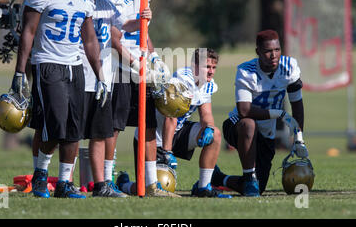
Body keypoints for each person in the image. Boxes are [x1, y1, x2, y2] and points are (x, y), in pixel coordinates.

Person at [12, 0, 106, 199]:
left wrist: (100, 75)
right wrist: (20, 72)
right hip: (48, 63)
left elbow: (89, 40)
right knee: (56, 124)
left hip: (75, 66)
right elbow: (28, 33)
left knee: (74, 127)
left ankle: (64, 183)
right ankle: (40, 176)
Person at [116, 48, 232, 198]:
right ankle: (123, 184)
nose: (211, 71)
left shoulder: (208, 84)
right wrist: (167, 152)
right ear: (194, 66)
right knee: (151, 188)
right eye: (207, 67)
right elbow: (171, 117)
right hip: (155, 138)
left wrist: (208, 127)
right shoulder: (182, 79)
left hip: (177, 132)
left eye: (213, 67)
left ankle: (203, 187)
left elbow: (207, 114)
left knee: (215, 134)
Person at [211, 29, 308, 197]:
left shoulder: (289, 67)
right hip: (238, 125)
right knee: (249, 124)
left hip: (266, 133)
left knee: (259, 187)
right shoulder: (246, 71)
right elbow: (244, 110)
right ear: (258, 52)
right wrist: (279, 114)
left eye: (277, 50)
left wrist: (299, 138)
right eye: (268, 51)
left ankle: (218, 178)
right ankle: (249, 177)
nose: (273, 55)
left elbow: (297, 105)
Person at [104, 0, 177, 197]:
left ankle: (152, 184)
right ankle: (107, 181)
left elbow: (142, 34)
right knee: (114, 127)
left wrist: (154, 58)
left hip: (142, 71)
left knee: (149, 125)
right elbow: (115, 37)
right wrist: (136, 63)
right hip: (122, 71)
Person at [81, 0, 145, 197]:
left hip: (104, 76)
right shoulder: (79, 4)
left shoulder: (106, 5)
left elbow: (121, 29)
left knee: (102, 130)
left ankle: (103, 183)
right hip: (85, 72)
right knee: (70, 132)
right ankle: (60, 180)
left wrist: (141, 21)